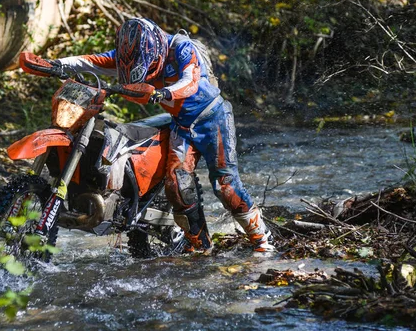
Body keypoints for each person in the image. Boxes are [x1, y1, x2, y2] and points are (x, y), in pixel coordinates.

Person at [23, 18, 275, 253]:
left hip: (213, 118)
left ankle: (262, 241)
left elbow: (191, 82)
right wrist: (56, 64)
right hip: (181, 125)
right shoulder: (128, 54)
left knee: (225, 186)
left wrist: (163, 93)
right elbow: (91, 61)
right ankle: (200, 246)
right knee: (177, 186)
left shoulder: (181, 48)